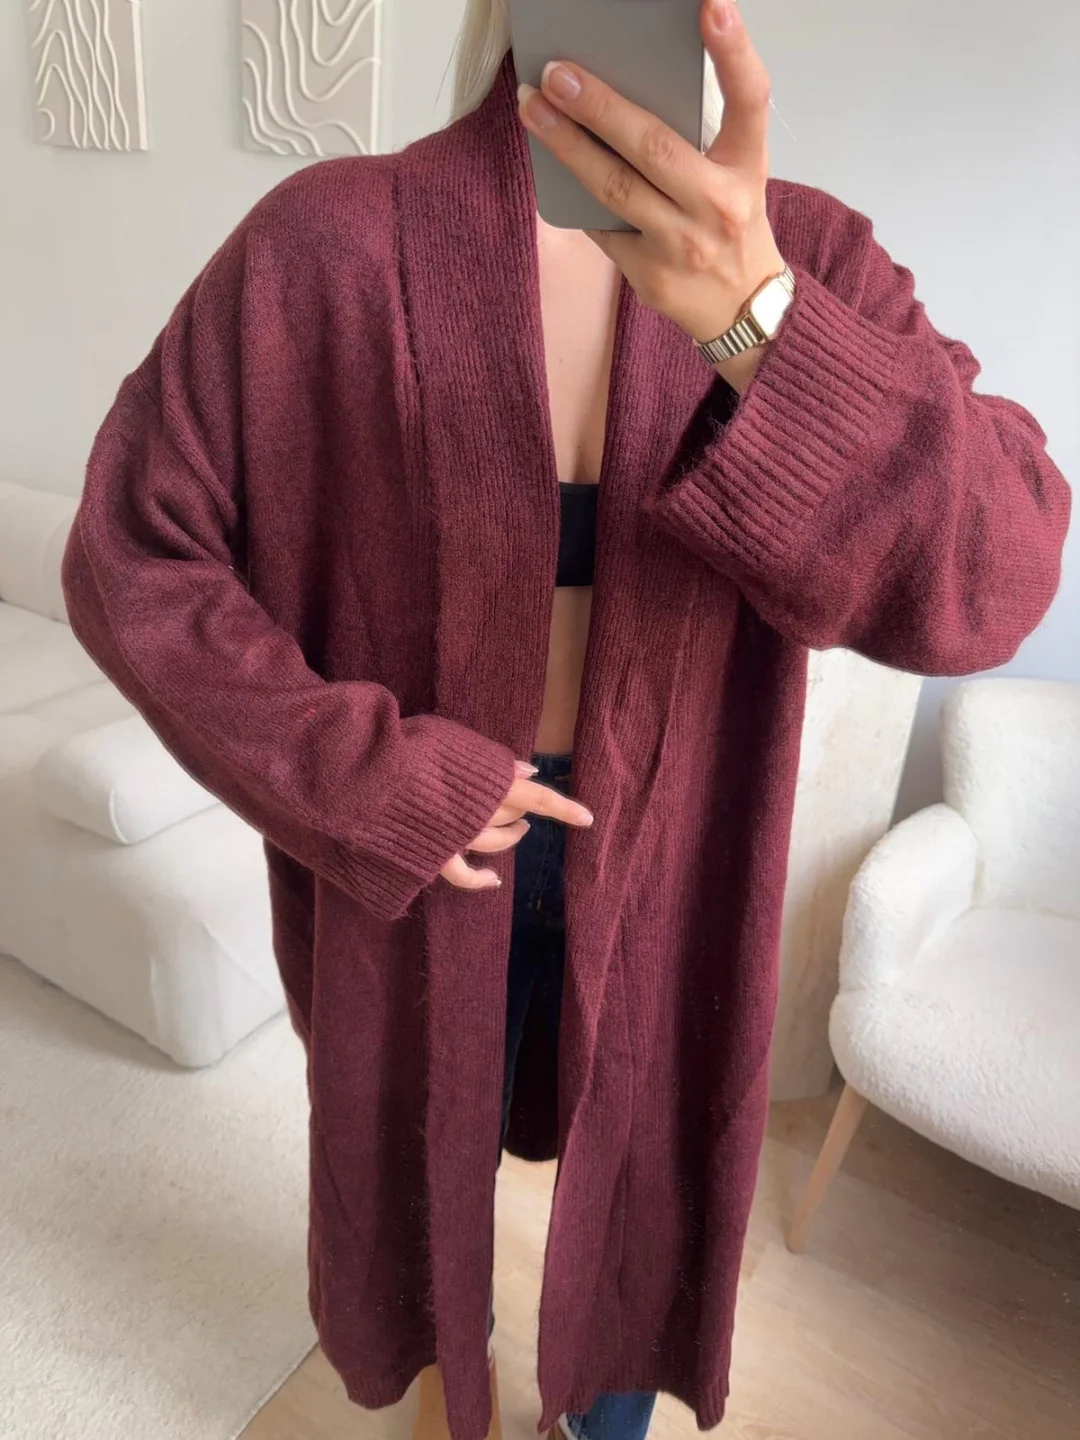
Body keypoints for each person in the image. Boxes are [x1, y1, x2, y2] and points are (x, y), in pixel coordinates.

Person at [61, 1, 1070, 1438]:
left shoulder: (811, 257)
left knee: (642, 1188)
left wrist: (758, 322)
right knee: (415, 1180)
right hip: (424, 855)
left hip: (673, 859)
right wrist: (368, 776)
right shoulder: (327, 242)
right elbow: (131, 553)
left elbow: (998, 576)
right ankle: (445, 1401)